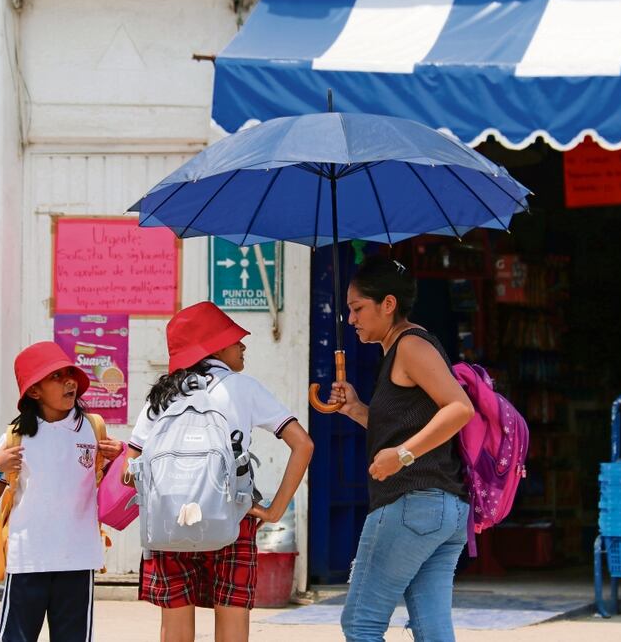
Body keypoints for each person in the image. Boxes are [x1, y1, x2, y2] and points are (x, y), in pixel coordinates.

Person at [124, 301, 314, 642]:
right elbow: (304, 444)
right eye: (233, 339)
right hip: (233, 515)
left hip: (169, 521)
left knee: (175, 630)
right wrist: (274, 510)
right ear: (211, 346)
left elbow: (132, 462)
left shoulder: (163, 394)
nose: (243, 345)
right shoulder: (244, 387)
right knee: (232, 626)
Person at [327, 256, 475, 642]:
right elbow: (403, 426)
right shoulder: (399, 349)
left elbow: (460, 408)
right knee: (432, 630)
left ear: (388, 304)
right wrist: (357, 410)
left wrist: (404, 455)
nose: (351, 319)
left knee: (361, 623)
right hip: (442, 511)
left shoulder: (410, 345)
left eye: (358, 308)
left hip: (413, 503)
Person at [0, 341, 123, 642]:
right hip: (28, 558)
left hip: (78, 559)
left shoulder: (92, 429)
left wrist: (120, 458)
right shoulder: (16, 437)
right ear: (34, 391)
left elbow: (111, 484)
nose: (70, 381)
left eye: (71, 373)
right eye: (56, 376)